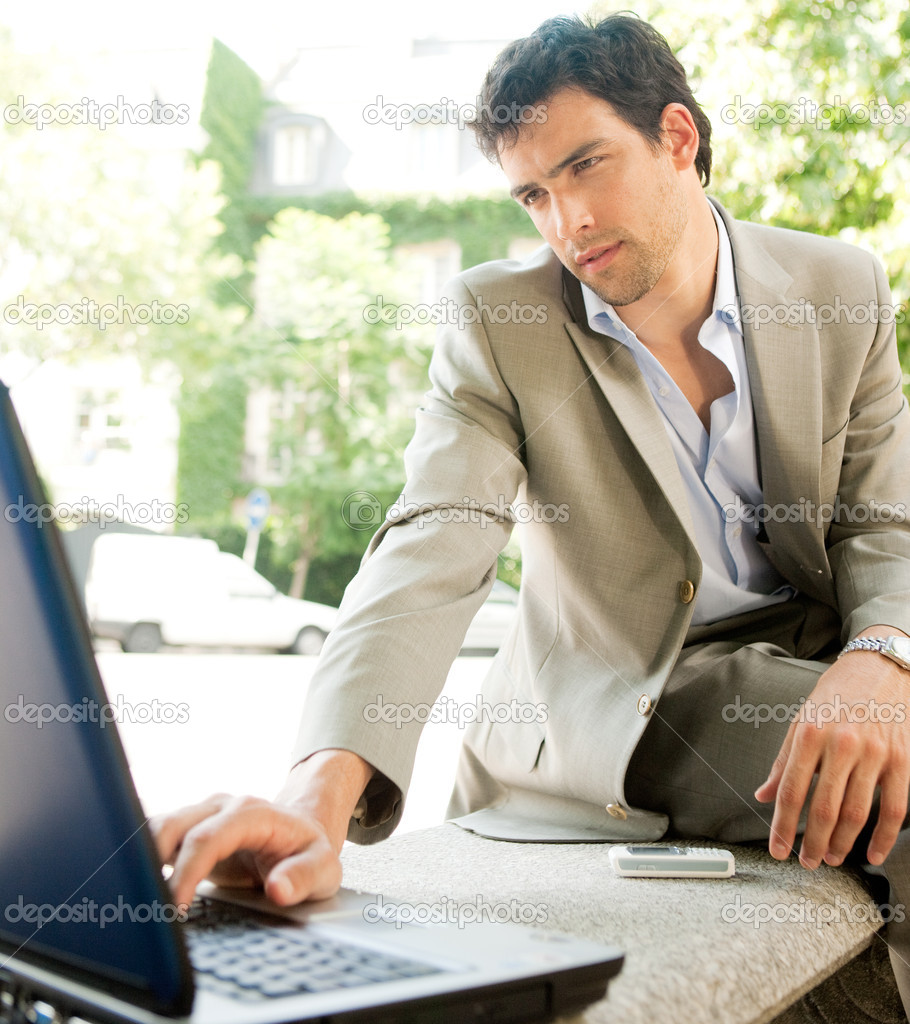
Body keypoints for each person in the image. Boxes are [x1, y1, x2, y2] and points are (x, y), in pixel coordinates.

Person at [153, 10, 910, 1004]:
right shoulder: (499, 319)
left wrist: (880, 656)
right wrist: (318, 791)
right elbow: (436, 536)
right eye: (533, 195)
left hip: (810, 661)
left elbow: (879, 523)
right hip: (625, 702)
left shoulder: (837, 283)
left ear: (677, 138)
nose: (567, 223)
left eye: (587, 167)